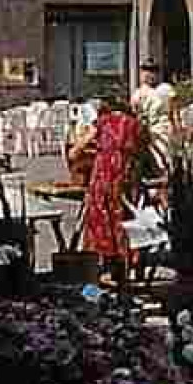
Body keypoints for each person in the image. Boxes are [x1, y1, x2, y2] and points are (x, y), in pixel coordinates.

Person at [78, 97, 146, 287]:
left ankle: (98, 273)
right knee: (123, 222)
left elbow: (77, 150)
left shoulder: (102, 122)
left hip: (102, 177)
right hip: (123, 177)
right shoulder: (136, 125)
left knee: (99, 220)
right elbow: (145, 153)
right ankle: (123, 271)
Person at [131, 61, 175, 162]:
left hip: (162, 130)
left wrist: (177, 132)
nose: (148, 74)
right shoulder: (137, 93)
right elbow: (135, 114)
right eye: (145, 71)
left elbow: (173, 112)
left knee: (163, 160)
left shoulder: (166, 89)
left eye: (152, 71)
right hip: (145, 132)